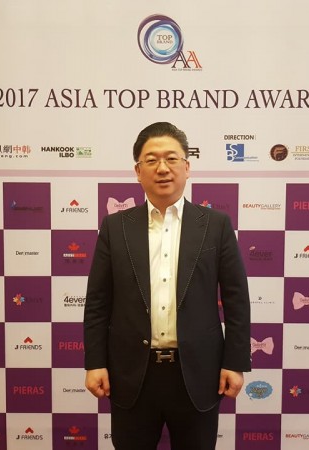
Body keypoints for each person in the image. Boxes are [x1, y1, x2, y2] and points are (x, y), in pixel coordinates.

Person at [84, 122, 251, 450]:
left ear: (187, 167)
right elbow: (98, 303)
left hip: (198, 373)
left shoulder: (215, 225)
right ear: (138, 171)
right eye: (151, 160)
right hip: (131, 372)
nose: (162, 168)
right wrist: (95, 362)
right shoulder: (116, 227)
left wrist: (234, 362)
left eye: (172, 159)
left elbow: (237, 300)